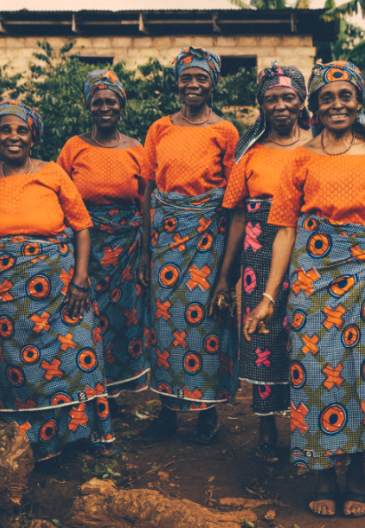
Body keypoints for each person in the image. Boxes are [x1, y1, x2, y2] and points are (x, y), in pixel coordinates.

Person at [244, 61, 365, 518]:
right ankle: (324, 475)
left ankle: (358, 477)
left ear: (359, 101)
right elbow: (285, 230)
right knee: (316, 375)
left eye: (345, 96)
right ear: (314, 105)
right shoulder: (300, 158)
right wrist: (270, 297)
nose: (336, 105)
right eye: (326, 98)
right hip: (314, 284)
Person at [0, 100, 114, 461]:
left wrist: (81, 279)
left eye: (21, 130)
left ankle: (85, 436)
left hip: (62, 291)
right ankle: (36, 443)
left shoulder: (53, 174)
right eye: (5, 129)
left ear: (32, 137)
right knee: (19, 367)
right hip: (6, 296)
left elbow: (82, 227)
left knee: (77, 354)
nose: (13, 136)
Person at [136, 47, 240, 445]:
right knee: (165, 326)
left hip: (207, 240)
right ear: (176, 82)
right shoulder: (160, 128)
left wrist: (227, 268)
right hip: (165, 242)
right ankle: (166, 412)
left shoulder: (226, 132)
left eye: (201, 77)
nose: (192, 84)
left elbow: (233, 198)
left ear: (213, 82)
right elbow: (149, 189)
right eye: (186, 77)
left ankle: (207, 412)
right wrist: (146, 249)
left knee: (204, 320)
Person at [212, 63, 312, 465]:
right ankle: (268, 425)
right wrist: (225, 276)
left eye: (289, 97)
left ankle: (307, 426)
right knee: (264, 338)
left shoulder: (319, 145)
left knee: (307, 335)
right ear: (260, 105)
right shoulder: (250, 154)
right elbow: (237, 214)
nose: (281, 105)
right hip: (258, 251)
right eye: (271, 99)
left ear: (302, 101)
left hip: (308, 251)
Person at [57, 70, 148, 455]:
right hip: (84, 251)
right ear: (88, 106)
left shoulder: (136, 149)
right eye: (98, 101)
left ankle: (108, 397)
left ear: (122, 106)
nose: (105, 107)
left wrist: (145, 252)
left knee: (121, 324)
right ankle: (90, 401)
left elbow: (146, 203)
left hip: (126, 249)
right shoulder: (73, 148)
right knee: (86, 325)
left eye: (111, 101)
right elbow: (57, 195)